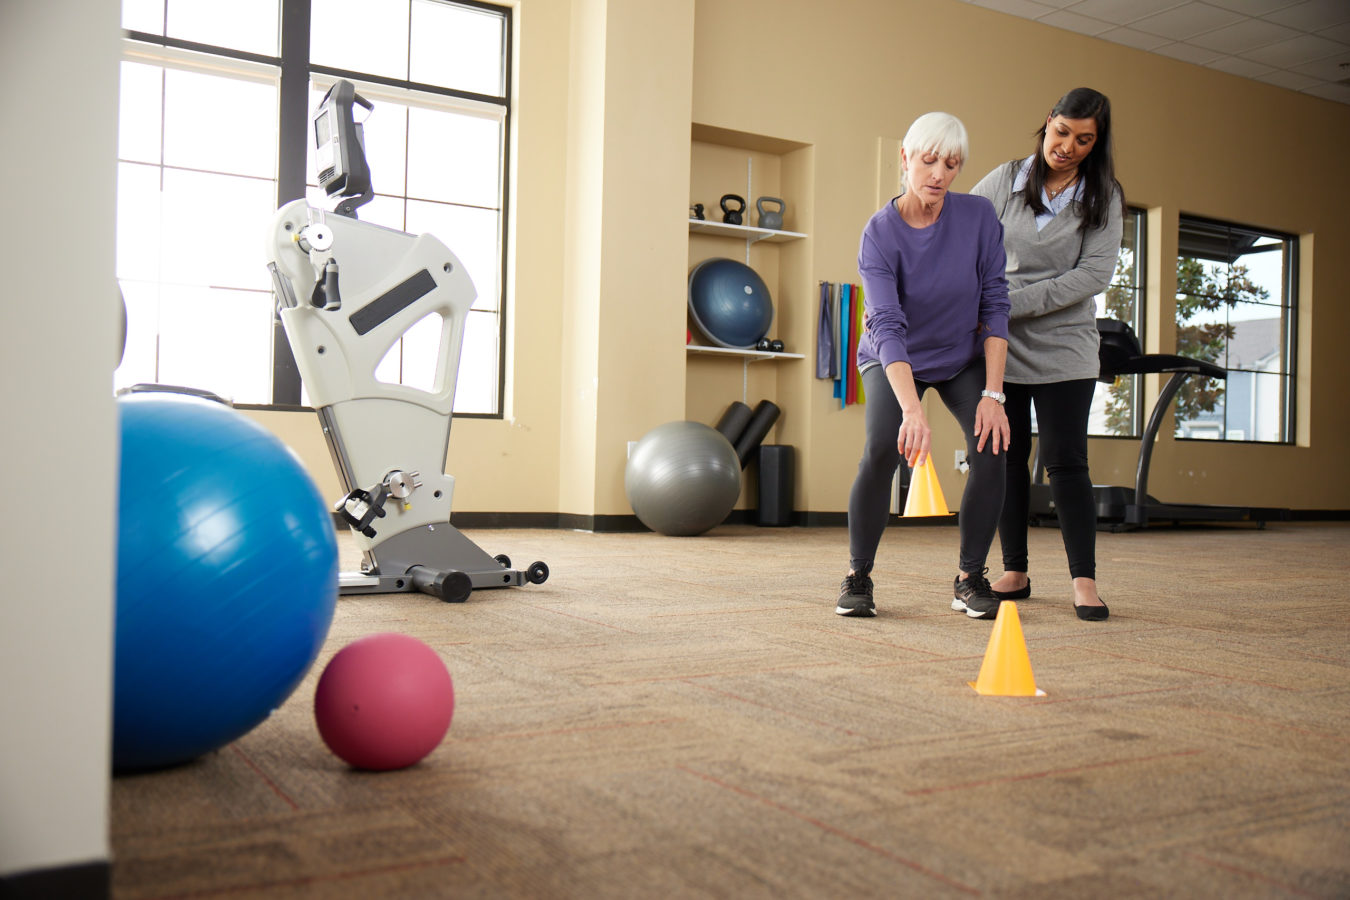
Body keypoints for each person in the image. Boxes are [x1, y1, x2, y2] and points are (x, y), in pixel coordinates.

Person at [837, 112, 1011, 620]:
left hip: (959, 357)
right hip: (895, 358)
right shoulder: (880, 233)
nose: (938, 173)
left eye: (951, 164)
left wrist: (994, 395)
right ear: (905, 159)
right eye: (928, 160)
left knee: (994, 447)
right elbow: (886, 325)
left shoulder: (978, 218)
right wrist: (913, 411)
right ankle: (858, 574)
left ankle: (969, 577)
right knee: (879, 450)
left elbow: (996, 305)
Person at [969, 87, 1125, 622]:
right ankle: (1014, 569)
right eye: (1062, 132)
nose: (1068, 146)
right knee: (1008, 457)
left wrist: (1007, 302)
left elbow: (1092, 276)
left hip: (1065, 346)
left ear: (1096, 143)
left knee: (1065, 461)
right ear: (1048, 123)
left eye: (1084, 139)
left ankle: (1084, 579)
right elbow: (962, 235)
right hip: (1000, 346)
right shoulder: (1005, 179)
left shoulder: (1104, 194)